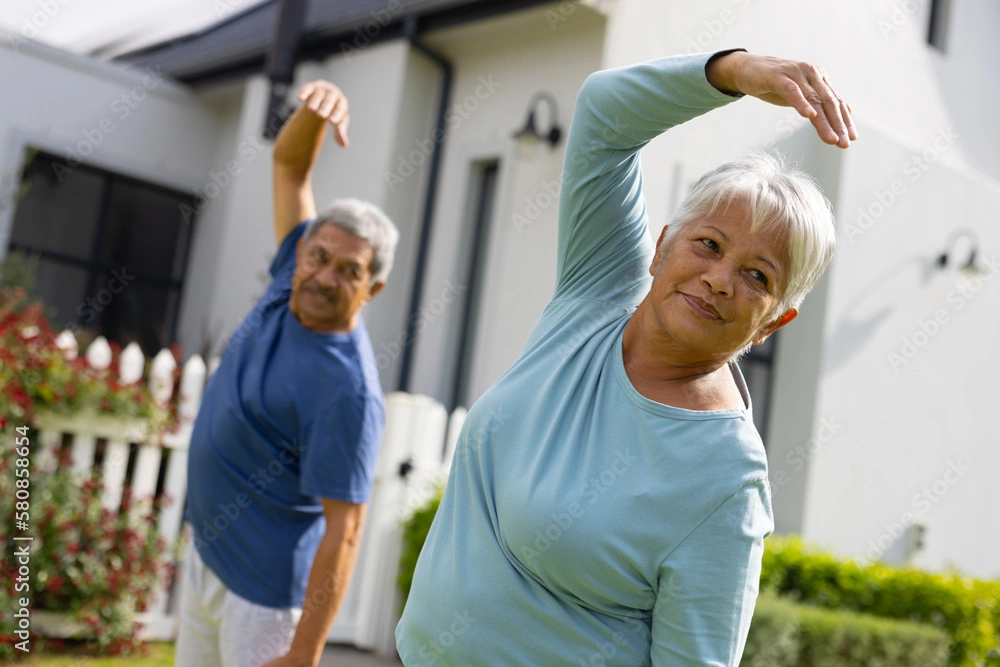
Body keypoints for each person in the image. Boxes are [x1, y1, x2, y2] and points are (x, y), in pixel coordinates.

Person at [395, 48, 854, 665]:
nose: (719, 279)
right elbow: (603, 114)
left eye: (757, 276)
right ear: (662, 246)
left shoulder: (726, 476)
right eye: (708, 244)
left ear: (774, 322)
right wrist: (737, 71)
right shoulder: (597, 289)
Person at [175, 80, 399, 667]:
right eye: (319, 257)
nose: (324, 277)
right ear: (301, 250)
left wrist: (304, 651)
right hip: (208, 558)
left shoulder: (348, 392)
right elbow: (290, 167)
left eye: (349, 271)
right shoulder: (287, 278)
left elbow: (345, 530)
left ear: (372, 289)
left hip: (265, 601)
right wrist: (315, 110)